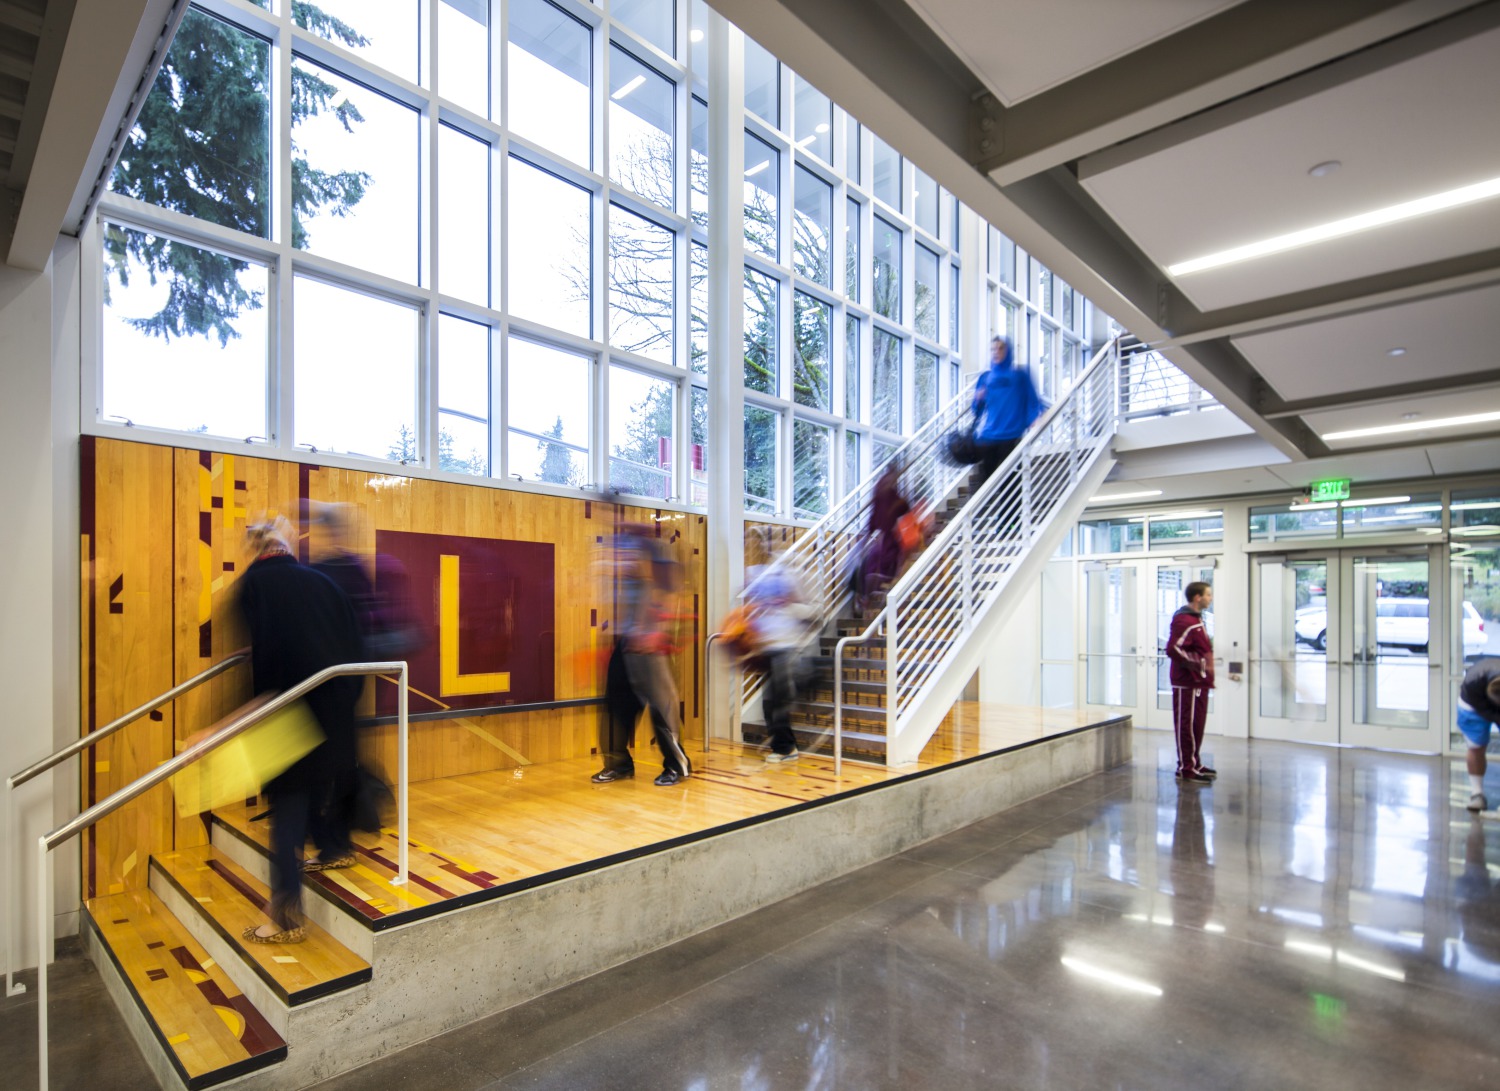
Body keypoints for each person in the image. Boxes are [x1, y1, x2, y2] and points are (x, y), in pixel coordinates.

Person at [236, 516, 365, 942]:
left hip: (287, 714)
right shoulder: (324, 584)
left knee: (288, 815)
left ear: (256, 550)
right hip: (333, 712)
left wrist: (230, 723)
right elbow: (354, 650)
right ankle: (333, 849)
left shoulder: (256, 587)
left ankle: (286, 919)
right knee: (309, 799)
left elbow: (268, 656)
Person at [591, 526, 694, 787]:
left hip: (651, 644)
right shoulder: (621, 548)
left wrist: (658, 630)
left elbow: (670, 591)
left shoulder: (656, 552)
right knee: (615, 707)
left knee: (661, 709)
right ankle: (619, 765)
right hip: (626, 642)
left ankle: (676, 765)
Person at [745, 556, 818, 763]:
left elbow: (813, 613)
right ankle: (784, 746)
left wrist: (789, 605)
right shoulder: (763, 577)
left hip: (787, 649)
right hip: (771, 648)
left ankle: (786, 748)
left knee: (777, 702)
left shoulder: (791, 580)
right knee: (771, 703)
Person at [972, 335, 1044, 484]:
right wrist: (978, 399)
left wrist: (1034, 418)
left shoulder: (1020, 375)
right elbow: (977, 411)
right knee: (985, 483)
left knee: (1010, 484)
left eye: (1000, 348)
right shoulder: (986, 377)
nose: (996, 352)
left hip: (1012, 435)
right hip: (989, 436)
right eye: (993, 349)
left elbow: (1032, 400)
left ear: (1008, 350)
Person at [1167, 581, 1216, 785]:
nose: (1210, 598)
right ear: (1198, 597)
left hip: (1199, 683)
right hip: (1187, 682)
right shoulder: (1184, 621)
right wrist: (1197, 664)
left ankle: (1194, 762)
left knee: (1197, 725)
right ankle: (1185, 768)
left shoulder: (1197, 619)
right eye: (1208, 595)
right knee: (1186, 725)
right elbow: (1173, 649)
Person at [858, 460, 910, 613]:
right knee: (886, 563)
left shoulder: (881, 491)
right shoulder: (889, 495)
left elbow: (875, 516)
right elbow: (902, 509)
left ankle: (868, 599)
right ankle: (872, 599)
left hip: (882, 538)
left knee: (876, 566)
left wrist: (869, 535)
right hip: (886, 538)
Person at [1457, 658, 1500, 811]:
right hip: (1472, 706)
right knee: (1476, 747)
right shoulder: (1473, 683)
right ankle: (1477, 795)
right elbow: (1488, 712)